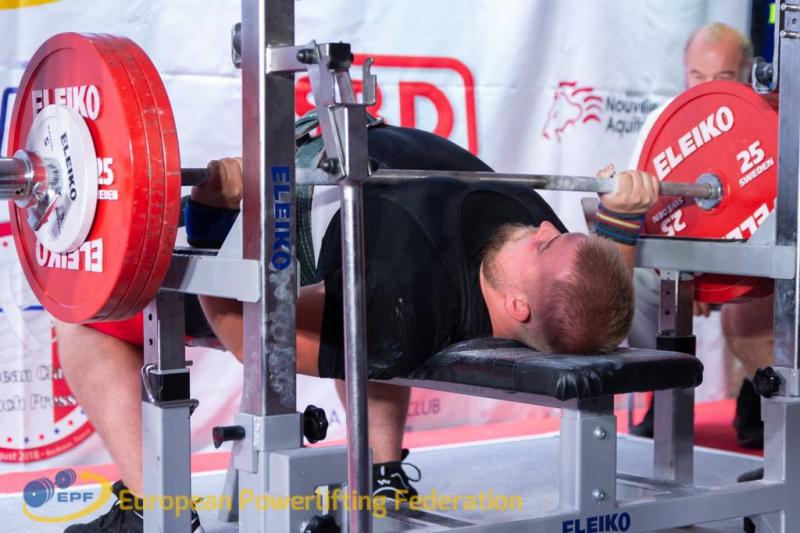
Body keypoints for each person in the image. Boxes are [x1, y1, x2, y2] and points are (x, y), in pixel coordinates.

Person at [57, 119, 659, 532]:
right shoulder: (541, 270)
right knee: (364, 329)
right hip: (349, 160)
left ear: (518, 307)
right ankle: (382, 475)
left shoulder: (402, 306)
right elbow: (592, 316)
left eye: (546, 245)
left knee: (84, 316)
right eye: (559, 235)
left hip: (289, 249)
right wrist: (619, 224)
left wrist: (218, 218)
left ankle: (156, 510)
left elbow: (250, 337)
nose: (548, 229)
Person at [626, 21, 764, 446]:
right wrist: (687, 271)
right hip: (681, 261)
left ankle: (760, 390)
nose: (707, 87)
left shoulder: (772, 118)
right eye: (697, 76)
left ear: (748, 72)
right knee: (631, 284)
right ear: (684, 73)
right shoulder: (661, 123)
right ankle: (664, 386)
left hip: (756, 263)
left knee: (771, 300)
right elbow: (644, 209)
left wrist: (719, 272)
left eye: (723, 76)